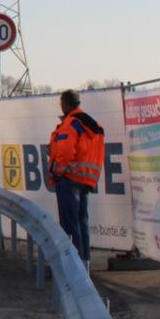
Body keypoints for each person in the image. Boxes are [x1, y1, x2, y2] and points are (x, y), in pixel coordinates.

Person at [48, 89, 106, 266]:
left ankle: (73, 265)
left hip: (69, 178)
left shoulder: (71, 124)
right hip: (86, 180)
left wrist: (58, 171)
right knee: (81, 221)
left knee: (70, 224)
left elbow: (65, 150)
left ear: (65, 104)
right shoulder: (93, 125)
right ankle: (84, 262)